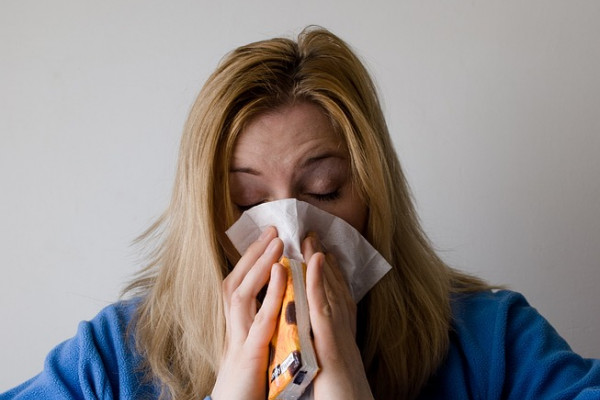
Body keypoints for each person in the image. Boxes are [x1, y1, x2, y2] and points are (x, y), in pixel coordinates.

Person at [2, 26, 599, 400]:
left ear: (373, 198)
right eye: (248, 204)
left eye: (322, 190)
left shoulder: (490, 340)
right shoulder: (116, 357)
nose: (289, 232)